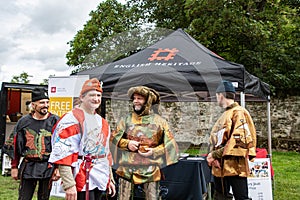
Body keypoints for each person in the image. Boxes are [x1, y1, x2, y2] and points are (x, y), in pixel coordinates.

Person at [49, 78, 116, 200]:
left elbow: (105, 153)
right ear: (82, 97)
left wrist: (109, 178)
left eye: (98, 95)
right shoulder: (71, 119)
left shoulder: (103, 122)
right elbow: (63, 154)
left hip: (100, 176)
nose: (96, 99)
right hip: (81, 176)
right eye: (92, 95)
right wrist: (69, 185)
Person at [111, 86, 178, 200]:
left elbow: (171, 145)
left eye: (139, 98)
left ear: (148, 102)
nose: (135, 101)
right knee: (123, 197)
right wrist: (127, 144)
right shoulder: (126, 120)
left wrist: (154, 151)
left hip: (150, 168)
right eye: (134, 98)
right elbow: (113, 139)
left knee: (152, 197)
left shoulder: (160, 122)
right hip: (127, 168)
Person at [206, 80, 257, 200]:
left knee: (241, 197)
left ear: (221, 95)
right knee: (221, 196)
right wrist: (214, 157)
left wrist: (214, 154)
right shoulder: (227, 113)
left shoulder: (238, 112)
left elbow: (238, 141)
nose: (217, 98)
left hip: (235, 165)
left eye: (217, 96)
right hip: (220, 164)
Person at [11, 87, 60, 200]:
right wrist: (14, 166)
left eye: (47, 102)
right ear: (33, 105)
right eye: (42, 102)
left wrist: (58, 168)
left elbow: (60, 147)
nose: (46, 105)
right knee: (24, 197)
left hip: (48, 166)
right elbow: (15, 145)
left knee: (44, 198)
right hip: (29, 165)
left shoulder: (55, 121)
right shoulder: (23, 122)